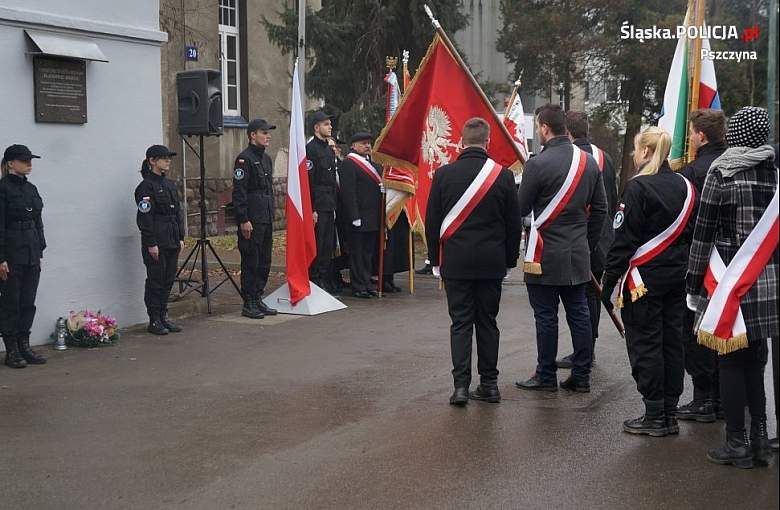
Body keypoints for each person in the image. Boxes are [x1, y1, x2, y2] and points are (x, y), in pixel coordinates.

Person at [686, 106, 777, 468]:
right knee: (757, 360)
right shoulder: (776, 174)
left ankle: (736, 441)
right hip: (768, 281)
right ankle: (760, 440)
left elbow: (702, 235)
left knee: (729, 360)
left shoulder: (719, 173)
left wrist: (693, 284)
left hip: (727, 284)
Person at [601, 127, 696, 437]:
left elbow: (623, 240)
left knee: (646, 344)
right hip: (676, 278)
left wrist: (608, 282)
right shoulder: (685, 184)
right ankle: (669, 410)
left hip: (643, 280)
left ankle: (654, 413)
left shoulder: (637, 188)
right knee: (672, 343)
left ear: (644, 151)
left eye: (636, 149)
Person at [426, 117, 522, 405]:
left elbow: (432, 223)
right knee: (488, 323)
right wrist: (508, 261)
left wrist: (435, 261)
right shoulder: (503, 176)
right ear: (487, 141)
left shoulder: (444, 175)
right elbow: (513, 225)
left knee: (460, 324)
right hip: (492, 263)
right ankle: (490, 385)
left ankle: (460, 388)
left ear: (461, 141)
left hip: (455, 262)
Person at [515, 104, 607, 393]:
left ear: (544, 128)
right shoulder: (589, 162)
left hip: (544, 255)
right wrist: (586, 244)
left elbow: (521, 207)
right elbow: (601, 209)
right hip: (578, 253)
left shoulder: (537, 164)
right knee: (579, 314)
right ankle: (581, 376)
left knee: (546, 316)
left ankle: (545, 375)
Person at [676, 108, 727, 422]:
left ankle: (703, 398)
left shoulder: (694, 172)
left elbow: (686, 221)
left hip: (700, 259)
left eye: (692, 132)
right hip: (737, 261)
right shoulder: (737, 165)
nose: (690, 137)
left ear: (701, 135)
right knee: (727, 328)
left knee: (695, 331)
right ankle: (725, 396)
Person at [557, 111, 617, 369]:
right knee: (592, 295)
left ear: (567, 132)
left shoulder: (565, 159)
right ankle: (588, 347)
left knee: (578, 297)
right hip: (601, 237)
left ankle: (583, 351)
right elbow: (611, 201)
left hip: (574, 237)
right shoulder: (606, 158)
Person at [0, 145, 47, 368]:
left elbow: (38, 222)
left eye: (30, 160)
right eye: (23, 160)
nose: (29, 164)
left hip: (30, 251)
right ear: (10, 163)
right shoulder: (3, 189)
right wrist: (1, 258)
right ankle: (11, 350)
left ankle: (24, 345)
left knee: (28, 302)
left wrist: (39, 251)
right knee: (11, 303)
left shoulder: (31, 189)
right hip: (11, 253)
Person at [134, 145, 185, 335]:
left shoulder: (169, 184)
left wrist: (180, 236)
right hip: (157, 240)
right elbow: (145, 218)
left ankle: (163, 316)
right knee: (156, 280)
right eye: (163, 158)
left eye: (168, 158)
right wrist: (151, 243)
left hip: (171, 238)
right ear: (152, 161)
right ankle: (154, 318)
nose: (168, 161)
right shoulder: (145, 187)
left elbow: (177, 212)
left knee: (168, 279)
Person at [232, 118, 279, 319]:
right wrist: (243, 219)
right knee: (251, 260)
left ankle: (258, 297)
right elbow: (240, 192)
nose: (268, 136)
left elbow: (267, 190)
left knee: (264, 260)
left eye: (269, 133)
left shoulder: (266, 159)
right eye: (264, 132)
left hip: (265, 217)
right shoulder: (244, 159)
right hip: (252, 218)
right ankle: (248, 301)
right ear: (253, 135)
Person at [338, 132, 383, 298]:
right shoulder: (349, 163)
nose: (367, 146)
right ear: (353, 146)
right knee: (357, 254)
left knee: (367, 254)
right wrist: (354, 215)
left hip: (372, 217)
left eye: (368, 143)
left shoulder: (371, 163)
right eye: (363, 143)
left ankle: (366, 282)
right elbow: (348, 193)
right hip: (358, 218)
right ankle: (358, 286)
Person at [306, 111, 339, 294]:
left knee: (328, 244)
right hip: (318, 202)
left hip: (329, 202)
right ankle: (315, 279)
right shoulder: (311, 148)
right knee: (318, 243)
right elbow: (309, 180)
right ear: (317, 127)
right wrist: (312, 208)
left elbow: (332, 178)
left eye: (330, 124)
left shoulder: (328, 148)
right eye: (326, 124)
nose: (330, 127)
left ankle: (324, 279)